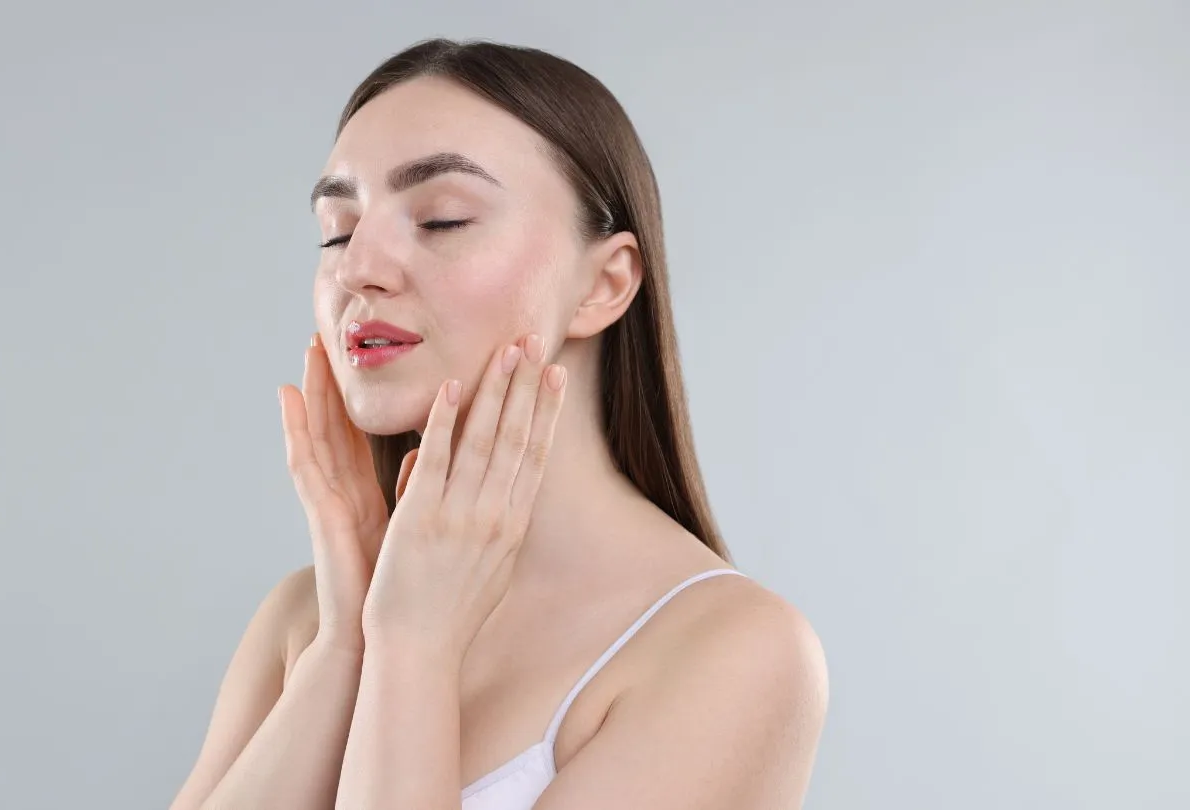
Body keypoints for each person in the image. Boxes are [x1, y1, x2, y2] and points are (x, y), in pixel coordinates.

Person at [169, 38, 828, 810]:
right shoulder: (304, 620)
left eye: (442, 220)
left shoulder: (733, 652)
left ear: (604, 283)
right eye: (338, 230)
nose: (356, 269)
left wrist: (412, 649)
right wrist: (347, 643)